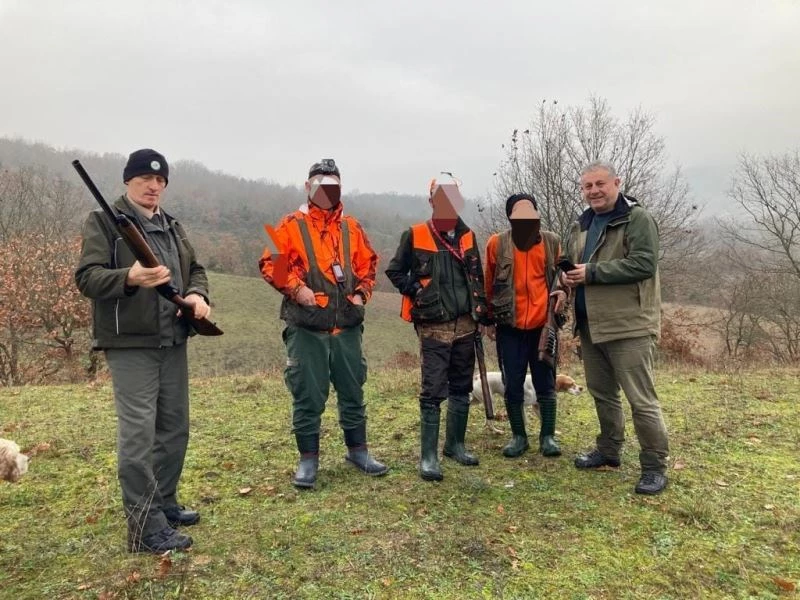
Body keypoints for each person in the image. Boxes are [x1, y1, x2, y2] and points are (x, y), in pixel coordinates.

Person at [75, 149, 210, 552]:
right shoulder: (103, 222)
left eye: (160, 181)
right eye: (144, 180)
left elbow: (195, 269)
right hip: (131, 343)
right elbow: (87, 278)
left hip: (173, 337)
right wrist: (129, 277)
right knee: (137, 437)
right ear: (128, 181)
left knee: (174, 429)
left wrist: (197, 295)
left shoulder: (171, 225)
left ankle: (164, 504)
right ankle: (145, 528)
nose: (153, 186)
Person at [259, 158, 388, 490]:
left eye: (333, 185)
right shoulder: (288, 225)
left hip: (347, 328)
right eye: (320, 184)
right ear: (308, 186)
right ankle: (308, 460)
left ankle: (358, 452)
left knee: (353, 390)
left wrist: (361, 294)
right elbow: (270, 263)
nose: (326, 191)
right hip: (306, 329)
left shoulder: (352, 227)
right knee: (307, 395)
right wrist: (296, 289)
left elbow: (369, 265)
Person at [561, 160, 670, 495]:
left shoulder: (637, 219)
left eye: (600, 184)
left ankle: (654, 466)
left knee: (641, 400)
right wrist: (562, 283)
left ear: (616, 183)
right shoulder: (581, 224)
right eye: (587, 186)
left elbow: (643, 263)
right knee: (602, 393)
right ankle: (609, 451)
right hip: (591, 326)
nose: (593, 191)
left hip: (629, 326)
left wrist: (592, 272)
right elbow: (571, 266)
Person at [385, 175, 491, 481]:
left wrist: (483, 315)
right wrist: (417, 289)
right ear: (431, 201)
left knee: (462, 387)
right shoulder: (415, 234)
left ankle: (455, 445)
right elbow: (394, 271)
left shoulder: (468, 236)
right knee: (432, 390)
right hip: (434, 326)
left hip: (466, 325)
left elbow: (477, 278)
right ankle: (428, 457)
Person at [484, 193, 568, 459]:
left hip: (543, 326)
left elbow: (564, 276)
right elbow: (488, 282)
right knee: (513, 383)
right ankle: (519, 437)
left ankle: (548, 437)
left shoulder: (552, 242)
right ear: (509, 217)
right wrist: (487, 320)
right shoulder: (497, 243)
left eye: (529, 212)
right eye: (517, 213)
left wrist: (564, 293)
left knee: (546, 382)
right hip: (509, 326)